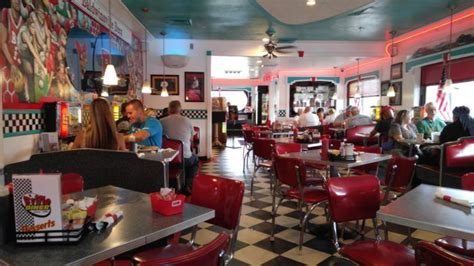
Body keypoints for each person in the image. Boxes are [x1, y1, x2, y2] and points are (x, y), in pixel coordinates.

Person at [160, 100, 199, 194]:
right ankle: (188, 186)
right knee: (195, 160)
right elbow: (191, 138)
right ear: (180, 109)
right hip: (185, 157)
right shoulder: (187, 120)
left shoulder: (161, 121)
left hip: (167, 158)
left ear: (169, 110)